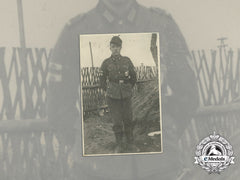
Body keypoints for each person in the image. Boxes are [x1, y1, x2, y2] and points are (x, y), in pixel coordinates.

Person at [47, 0, 199, 179]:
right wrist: (86, 139)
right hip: (96, 172)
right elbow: (58, 106)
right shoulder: (75, 30)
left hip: (159, 169)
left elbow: (187, 94)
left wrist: (164, 130)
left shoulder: (161, 24)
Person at [99, 36, 137, 153]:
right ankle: (119, 145)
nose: (115, 49)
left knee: (128, 119)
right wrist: (109, 90)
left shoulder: (127, 60)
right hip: (112, 96)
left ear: (121, 47)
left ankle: (130, 144)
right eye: (113, 46)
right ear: (110, 48)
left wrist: (128, 87)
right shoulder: (106, 63)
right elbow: (101, 80)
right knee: (116, 121)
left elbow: (134, 77)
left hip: (125, 94)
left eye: (118, 47)